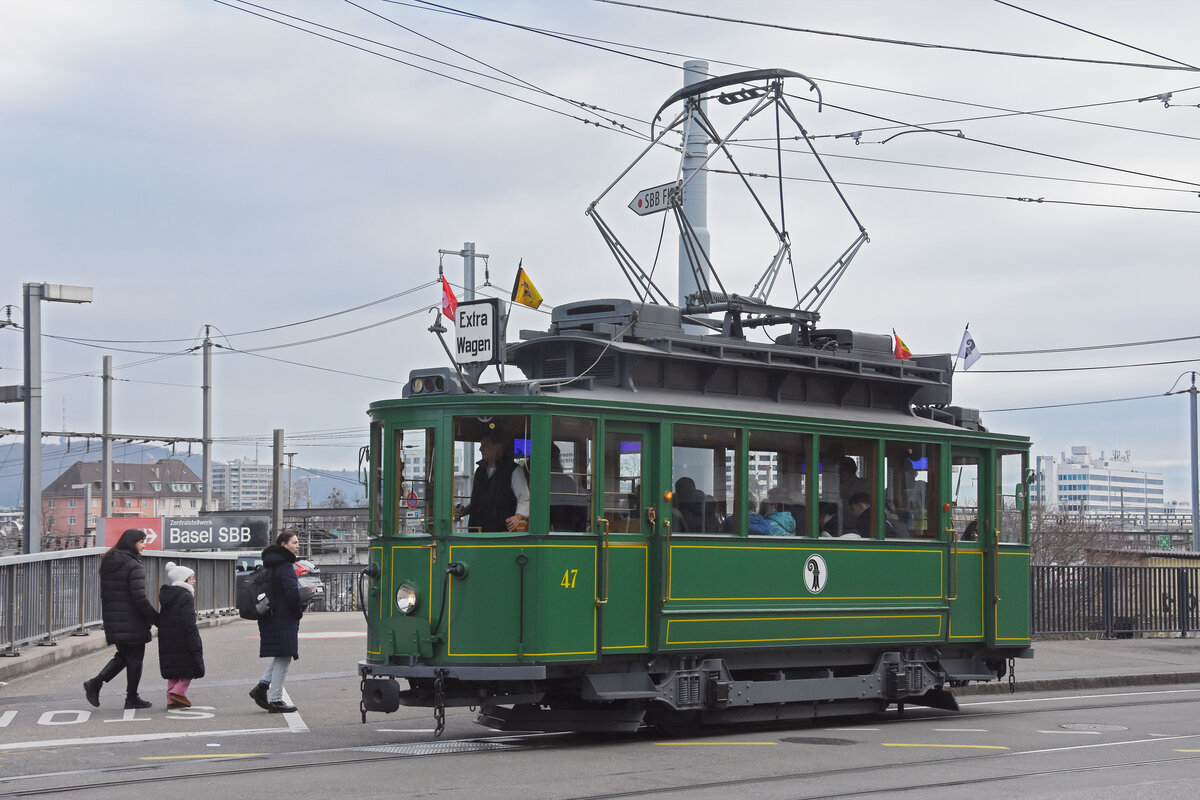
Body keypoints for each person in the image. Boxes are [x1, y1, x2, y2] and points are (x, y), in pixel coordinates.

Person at [84, 528, 160, 709]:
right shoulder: (134, 565)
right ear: (131, 543)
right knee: (134, 658)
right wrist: (157, 619)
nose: (144, 545)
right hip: (131, 620)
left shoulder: (110, 561)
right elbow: (139, 598)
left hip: (114, 619)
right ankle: (131, 698)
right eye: (141, 542)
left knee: (125, 656)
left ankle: (96, 683)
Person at [249, 532, 304, 713]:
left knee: (282, 655)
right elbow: (292, 594)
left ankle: (262, 687)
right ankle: (276, 699)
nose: (297, 546)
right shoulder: (285, 566)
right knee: (284, 656)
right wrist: (298, 612)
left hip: (271, 616)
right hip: (283, 618)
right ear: (283, 544)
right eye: (294, 542)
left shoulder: (271, 564)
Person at [453, 431, 530, 532]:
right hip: (476, 532)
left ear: (498, 446)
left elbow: (524, 497)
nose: (480, 449)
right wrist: (463, 511)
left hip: (500, 535)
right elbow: (479, 502)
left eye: (485, 445)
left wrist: (518, 517)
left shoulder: (513, 470)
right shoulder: (480, 471)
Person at [157, 562, 204, 709]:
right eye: (191, 578)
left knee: (174, 671)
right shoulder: (186, 596)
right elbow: (188, 621)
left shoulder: (169, 595)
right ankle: (178, 693)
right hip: (183, 638)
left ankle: (171, 700)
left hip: (168, 638)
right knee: (190, 667)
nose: (194, 580)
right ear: (184, 580)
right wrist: (195, 641)